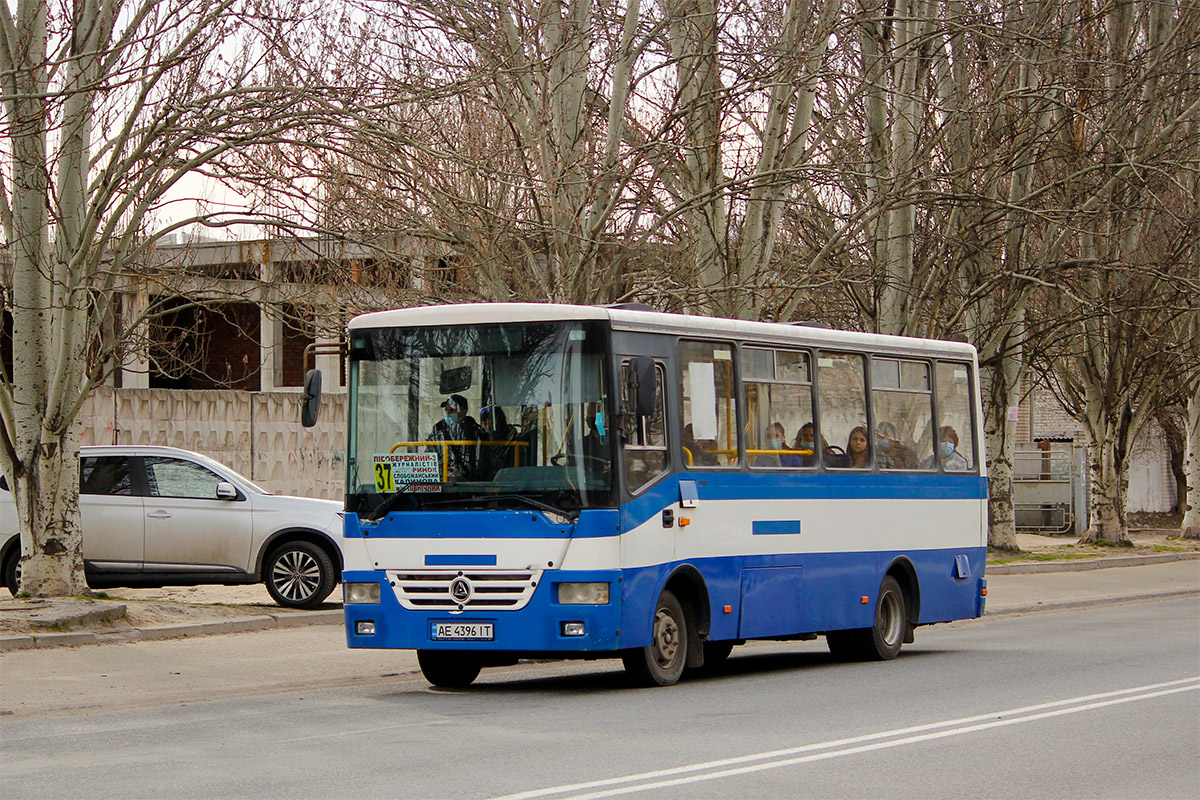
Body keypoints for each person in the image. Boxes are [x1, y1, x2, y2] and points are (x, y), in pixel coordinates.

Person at [427, 394, 482, 480]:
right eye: (446, 410)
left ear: (464, 411)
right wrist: (443, 472)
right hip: (443, 480)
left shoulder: (474, 431)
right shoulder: (438, 429)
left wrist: (463, 474)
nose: (448, 413)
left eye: (452, 410)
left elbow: (479, 461)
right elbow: (430, 455)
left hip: (469, 483)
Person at [478, 405, 517, 479]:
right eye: (484, 422)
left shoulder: (513, 441)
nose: (486, 426)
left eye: (488, 422)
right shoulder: (483, 438)